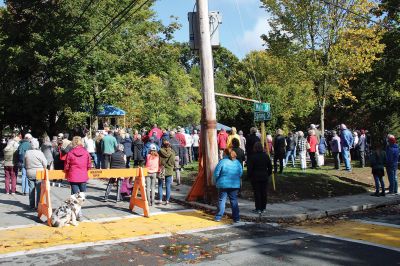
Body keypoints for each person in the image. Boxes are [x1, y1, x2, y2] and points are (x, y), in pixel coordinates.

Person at [213, 148, 243, 223]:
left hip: (223, 184)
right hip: (234, 184)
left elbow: (216, 173)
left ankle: (218, 217)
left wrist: (216, 181)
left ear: (225, 153)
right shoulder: (238, 163)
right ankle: (236, 218)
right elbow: (240, 173)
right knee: (234, 201)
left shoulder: (222, 162)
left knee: (221, 200)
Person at [247, 142, 272, 214]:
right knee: (264, 193)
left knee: (257, 193)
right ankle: (263, 208)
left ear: (254, 148)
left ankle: (258, 208)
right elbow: (270, 167)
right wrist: (268, 174)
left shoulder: (252, 157)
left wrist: (249, 176)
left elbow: (250, 169)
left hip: (255, 177)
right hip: (264, 176)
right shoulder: (266, 156)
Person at [24, 138, 47, 209]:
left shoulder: (27, 152)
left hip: (30, 172)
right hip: (39, 172)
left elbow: (24, 163)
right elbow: (45, 163)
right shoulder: (40, 153)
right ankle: (38, 205)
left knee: (31, 189)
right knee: (39, 190)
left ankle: (31, 205)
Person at [158, 140, 175, 205]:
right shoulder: (172, 152)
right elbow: (172, 162)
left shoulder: (160, 151)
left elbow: (158, 160)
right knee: (168, 186)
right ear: (169, 145)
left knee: (160, 185)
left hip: (161, 169)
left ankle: (160, 200)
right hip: (169, 169)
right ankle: (167, 200)